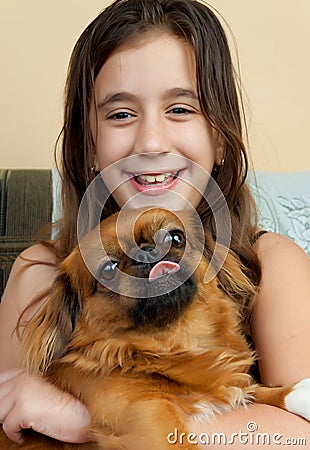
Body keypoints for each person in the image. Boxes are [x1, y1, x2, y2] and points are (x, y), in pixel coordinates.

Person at [0, 0, 309, 447]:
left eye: (181, 109)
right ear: (89, 147)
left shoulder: (271, 263)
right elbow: (13, 416)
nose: (150, 140)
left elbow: (300, 435)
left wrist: (92, 417)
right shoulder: (42, 273)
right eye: (121, 114)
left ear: (219, 136)